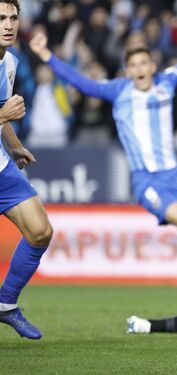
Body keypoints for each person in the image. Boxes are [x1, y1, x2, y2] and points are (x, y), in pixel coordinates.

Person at [29, 7, 177, 312]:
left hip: (175, 174)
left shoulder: (167, 81)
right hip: (146, 179)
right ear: (127, 71)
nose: (141, 68)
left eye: (144, 62)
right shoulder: (119, 91)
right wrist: (46, 56)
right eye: (134, 65)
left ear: (152, 64)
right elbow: (81, 82)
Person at [0, 0, 53, 340]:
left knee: (40, 231)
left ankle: (4, 304)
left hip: (1, 168)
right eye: (0, 18)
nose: (8, 24)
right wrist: (4, 115)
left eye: (13, 17)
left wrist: (14, 144)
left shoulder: (9, 62)